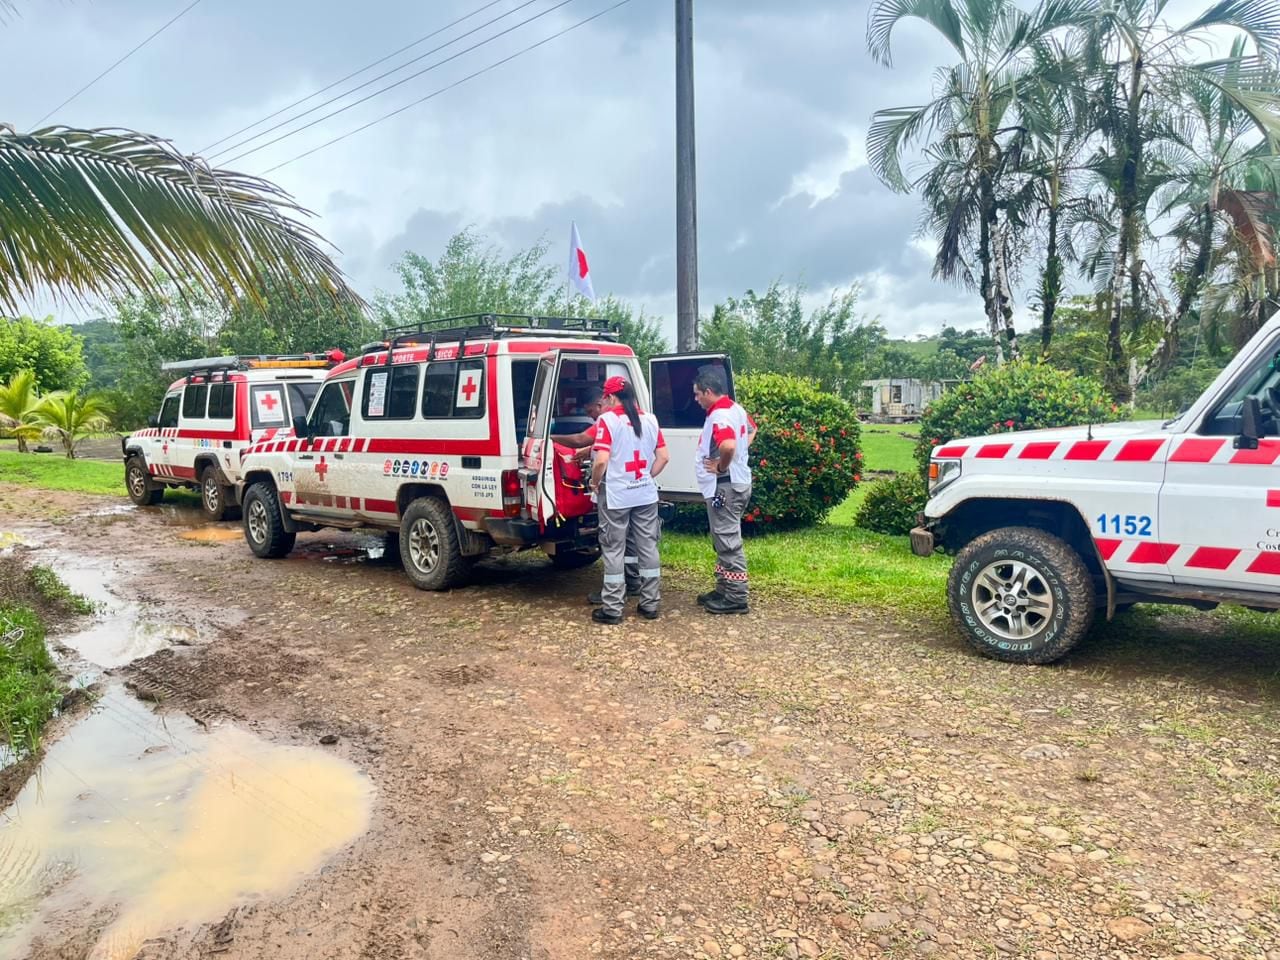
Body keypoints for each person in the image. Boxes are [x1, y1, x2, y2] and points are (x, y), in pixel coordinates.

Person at [589, 376, 668, 624]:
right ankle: (650, 604)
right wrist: (646, 476)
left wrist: (594, 481)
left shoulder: (607, 420)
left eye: (606, 397)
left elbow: (601, 460)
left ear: (611, 398)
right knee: (647, 546)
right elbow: (664, 457)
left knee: (614, 548)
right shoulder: (651, 419)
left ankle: (612, 608)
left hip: (616, 495)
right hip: (645, 493)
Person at [552, 386, 640, 603]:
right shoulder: (643, 418)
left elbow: (581, 439)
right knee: (633, 540)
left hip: (615, 489)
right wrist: (590, 450)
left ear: (604, 402)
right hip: (638, 488)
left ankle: (613, 594)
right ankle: (636, 584)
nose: (591, 417)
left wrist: (548, 436)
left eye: (591, 412)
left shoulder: (607, 420)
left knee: (612, 541)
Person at [692, 368, 755, 614]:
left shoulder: (719, 416)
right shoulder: (735, 409)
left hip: (725, 487)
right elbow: (751, 430)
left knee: (728, 541)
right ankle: (723, 588)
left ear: (709, 392)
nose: (696, 399)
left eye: (698, 394)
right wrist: (738, 453)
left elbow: (727, 445)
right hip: (735, 483)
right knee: (722, 537)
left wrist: (721, 465)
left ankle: (736, 597)